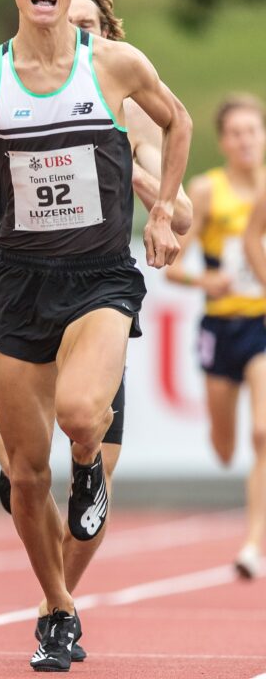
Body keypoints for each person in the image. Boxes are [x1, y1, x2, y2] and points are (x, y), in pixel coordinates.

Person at [0, 0, 191, 670]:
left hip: (99, 279)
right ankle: (58, 611)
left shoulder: (116, 66)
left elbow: (180, 120)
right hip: (17, 284)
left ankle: (92, 465)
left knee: (79, 418)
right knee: (23, 477)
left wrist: (163, 210)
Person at [169, 95, 266, 580]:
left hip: (262, 324)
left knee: (263, 432)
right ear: (224, 140)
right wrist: (207, 281)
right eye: (236, 133)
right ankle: (222, 434)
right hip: (219, 326)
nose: (246, 140)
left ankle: (253, 544)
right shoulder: (207, 191)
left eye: (253, 130)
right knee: (226, 445)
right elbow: (173, 268)